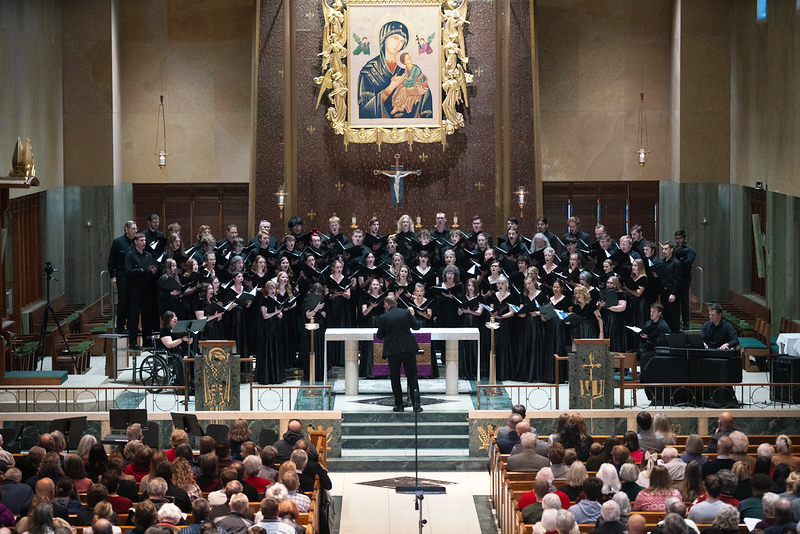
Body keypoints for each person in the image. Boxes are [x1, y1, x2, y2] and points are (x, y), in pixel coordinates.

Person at [357, 21, 432, 120]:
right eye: (395, 38)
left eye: (402, 41)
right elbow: (364, 110)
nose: (398, 44)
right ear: (384, 38)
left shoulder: (408, 67)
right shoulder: (370, 71)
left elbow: (425, 96)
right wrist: (390, 88)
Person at [376, 293, 422, 412]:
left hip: (393, 351)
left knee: (395, 378)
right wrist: (413, 314)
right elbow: (417, 326)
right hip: (408, 349)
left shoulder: (384, 317)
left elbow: (379, 336)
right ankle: (416, 404)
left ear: (387, 304)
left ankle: (399, 405)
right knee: (412, 376)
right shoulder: (406, 313)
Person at [108, 220, 138, 334]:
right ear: (126, 229)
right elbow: (111, 260)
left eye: (136, 229)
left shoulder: (136, 242)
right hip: (122, 275)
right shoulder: (118, 242)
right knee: (123, 301)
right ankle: (120, 327)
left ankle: (132, 326)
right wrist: (113, 276)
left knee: (133, 302)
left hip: (133, 276)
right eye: (133, 229)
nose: (135, 231)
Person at [673, 230, 696, 330]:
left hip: (684, 278)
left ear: (684, 239)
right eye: (676, 239)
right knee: (675, 301)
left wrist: (680, 256)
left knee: (684, 301)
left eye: (680, 239)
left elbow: (688, 262)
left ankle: (686, 323)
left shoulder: (689, 250)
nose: (678, 241)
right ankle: (676, 322)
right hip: (675, 278)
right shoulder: (674, 249)